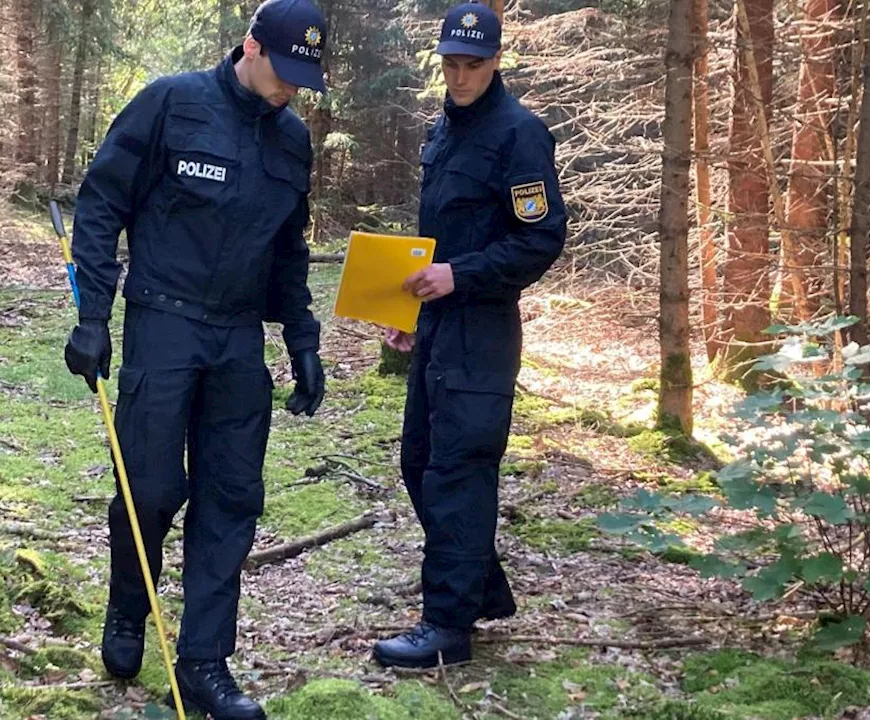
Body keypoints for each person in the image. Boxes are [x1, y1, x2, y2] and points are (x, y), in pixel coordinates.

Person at [61, 1, 329, 717]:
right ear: (251, 47)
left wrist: (301, 338)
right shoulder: (171, 103)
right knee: (148, 489)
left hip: (239, 340)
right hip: (163, 322)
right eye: (286, 71)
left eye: (306, 77)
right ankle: (128, 609)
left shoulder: (292, 140)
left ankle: (207, 662)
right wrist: (92, 316)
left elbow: (288, 249)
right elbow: (100, 206)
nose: (293, 89)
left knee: (231, 499)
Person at [371, 1, 568, 669]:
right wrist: (411, 313)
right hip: (437, 327)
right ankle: (479, 589)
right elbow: (437, 242)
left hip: (482, 331)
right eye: (451, 64)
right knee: (419, 464)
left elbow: (540, 239)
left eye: (472, 66)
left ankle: (446, 628)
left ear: (496, 61)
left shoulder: (519, 134)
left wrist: (461, 277)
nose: (460, 77)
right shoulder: (442, 132)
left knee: (459, 471)